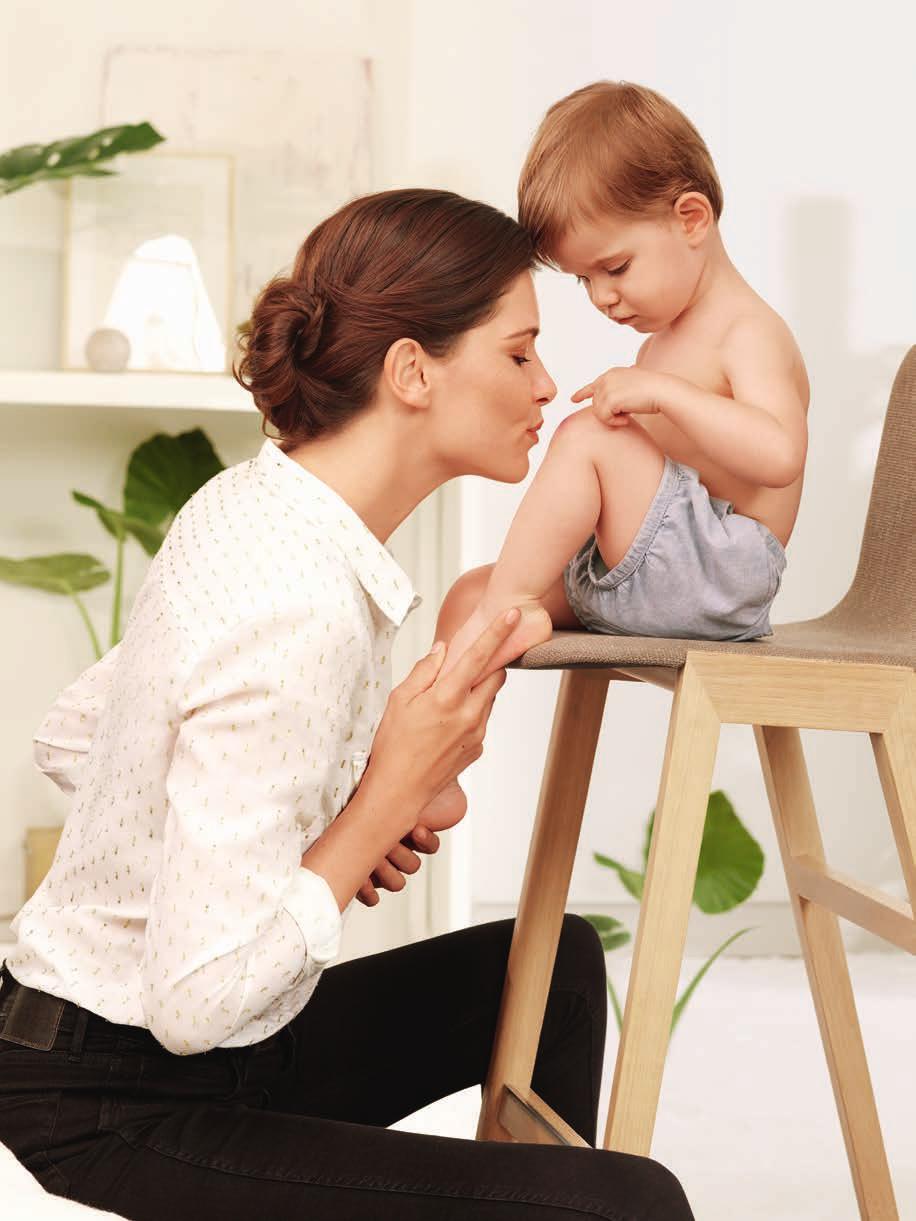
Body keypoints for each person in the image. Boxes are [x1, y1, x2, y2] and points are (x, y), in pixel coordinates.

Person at [0, 187, 695, 1220]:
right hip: (123, 1094)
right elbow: (197, 1004)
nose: (548, 385)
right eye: (517, 353)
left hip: (189, 1042)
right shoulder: (296, 598)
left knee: (556, 966)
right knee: (628, 1206)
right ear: (413, 371)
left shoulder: (267, 504)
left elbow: (79, 732)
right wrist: (377, 802)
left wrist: (317, 803)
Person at [435, 80, 810, 680]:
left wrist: (663, 395)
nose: (602, 297)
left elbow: (780, 454)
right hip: (651, 567)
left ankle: (505, 606)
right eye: (584, 280)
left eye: (614, 268)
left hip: (717, 576)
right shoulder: (663, 343)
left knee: (591, 437)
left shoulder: (748, 329)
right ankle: (440, 763)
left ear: (691, 218)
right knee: (468, 598)